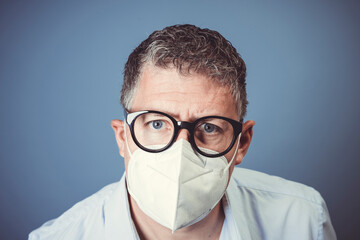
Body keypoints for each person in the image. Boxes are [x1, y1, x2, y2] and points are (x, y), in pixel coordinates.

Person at [29, 24, 336, 240]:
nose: (181, 152)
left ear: (242, 143)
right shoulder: (62, 236)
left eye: (209, 127)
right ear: (123, 137)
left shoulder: (302, 219)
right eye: (157, 124)